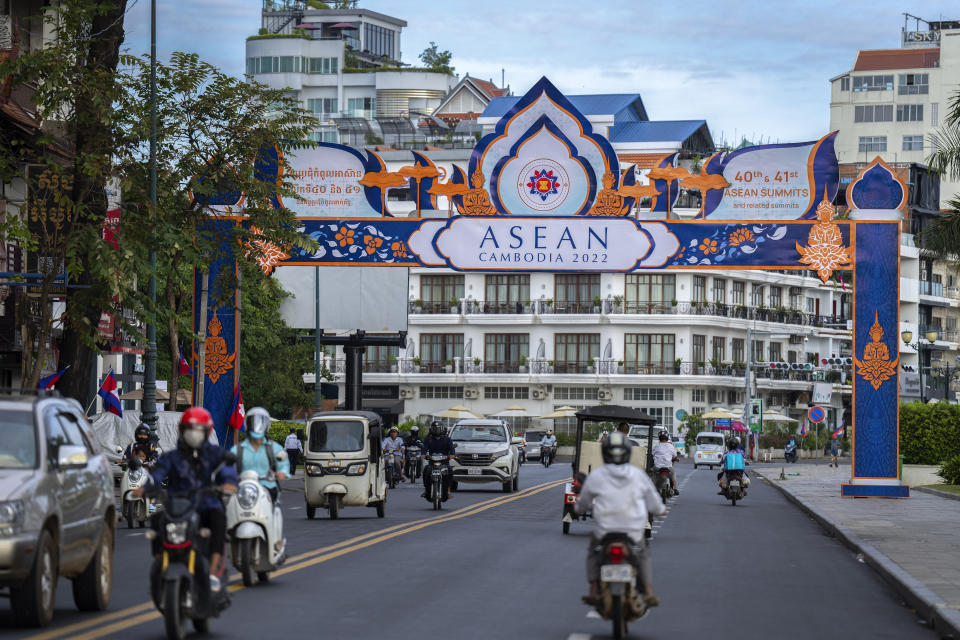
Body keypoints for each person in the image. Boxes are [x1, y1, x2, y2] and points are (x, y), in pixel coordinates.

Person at [134, 407, 237, 591]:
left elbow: (227, 471)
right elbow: (157, 474)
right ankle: (160, 566)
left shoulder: (215, 454)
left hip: (206, 505)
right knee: (157, 521)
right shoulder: (172, 457)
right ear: (182, 430)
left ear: (206, 431)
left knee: (218, 520)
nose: (193, 434)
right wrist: (144, 487)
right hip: (178, 507)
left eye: (198, 429)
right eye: (190, 429)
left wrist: (228, 483)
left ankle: (213, 572)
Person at [575, 431, 664, 608]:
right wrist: (660, 510)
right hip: (633, 532)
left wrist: (579, 509)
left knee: (593, 552)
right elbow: (655, 505)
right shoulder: (638, 475)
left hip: (604, 532)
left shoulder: (596, 475)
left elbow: (581, 505)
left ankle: (593, 588)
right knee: (643, 553)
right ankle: (647, 590)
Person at [231, 407, 289, 502]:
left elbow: (283, 464)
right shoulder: (237, 449)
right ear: (247, 425)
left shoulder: (274, 448)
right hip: (243, 491)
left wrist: (281, 473)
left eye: (261, 422)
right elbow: (228, 468)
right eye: (253, 422)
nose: (256, 427)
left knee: (275, 513)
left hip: (268, 490)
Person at [421, 421, 456, 501]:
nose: (436, 430)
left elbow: (452, 451)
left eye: (438, 428)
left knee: (450, 471)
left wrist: (451, 455)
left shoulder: (447, 439)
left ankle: (448, 490)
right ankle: (426, 489)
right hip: (432, 463)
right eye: (434, 429)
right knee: (426, 471)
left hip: (444, 463)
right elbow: (424, 449)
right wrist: (423, 454)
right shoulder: (428, 439)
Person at [651, 430, 679, 495]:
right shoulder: (671, 446)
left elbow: (652, 455)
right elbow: (675, 456)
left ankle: (651, 488)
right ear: (667, 437)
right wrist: (676, 459)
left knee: (652, 473)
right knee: (673, 473)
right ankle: (675, 488)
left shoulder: (656, 446)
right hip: (668, 467)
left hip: (657, 467)